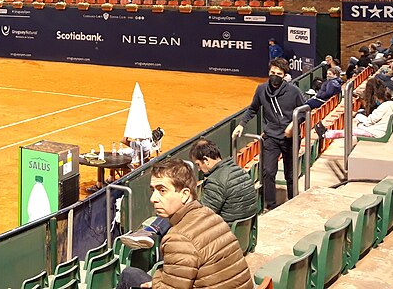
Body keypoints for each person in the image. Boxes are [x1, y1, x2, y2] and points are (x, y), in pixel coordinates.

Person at [115, 159, 252, 289]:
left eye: (162, 190)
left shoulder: (178, 238)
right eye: (153, 190)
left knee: (128, 275)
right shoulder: (211, 216)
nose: (153, 199)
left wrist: (157, 281)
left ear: (185, 194)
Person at [233, 57, 304, 210]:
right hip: (271, 137)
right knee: (268, 172)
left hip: (290, 139)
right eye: (272, 72)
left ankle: (293, 204)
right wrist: (241, 125)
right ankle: (270, 206)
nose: (275, 76)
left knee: (290, 175)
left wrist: (293, 125)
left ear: (284, 75)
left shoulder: (294, 91)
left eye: (279, 73)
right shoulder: (261, 89)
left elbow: (303, 111)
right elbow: (253, 109)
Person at [325, 86, 393, 139]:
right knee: (358, 118)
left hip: (377, 132)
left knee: (352, 129)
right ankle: (327, 133)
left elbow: (370, 121)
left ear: (379, 98)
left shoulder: (383, 107)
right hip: (380, 128)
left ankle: (326, 134)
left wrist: (361, 124)